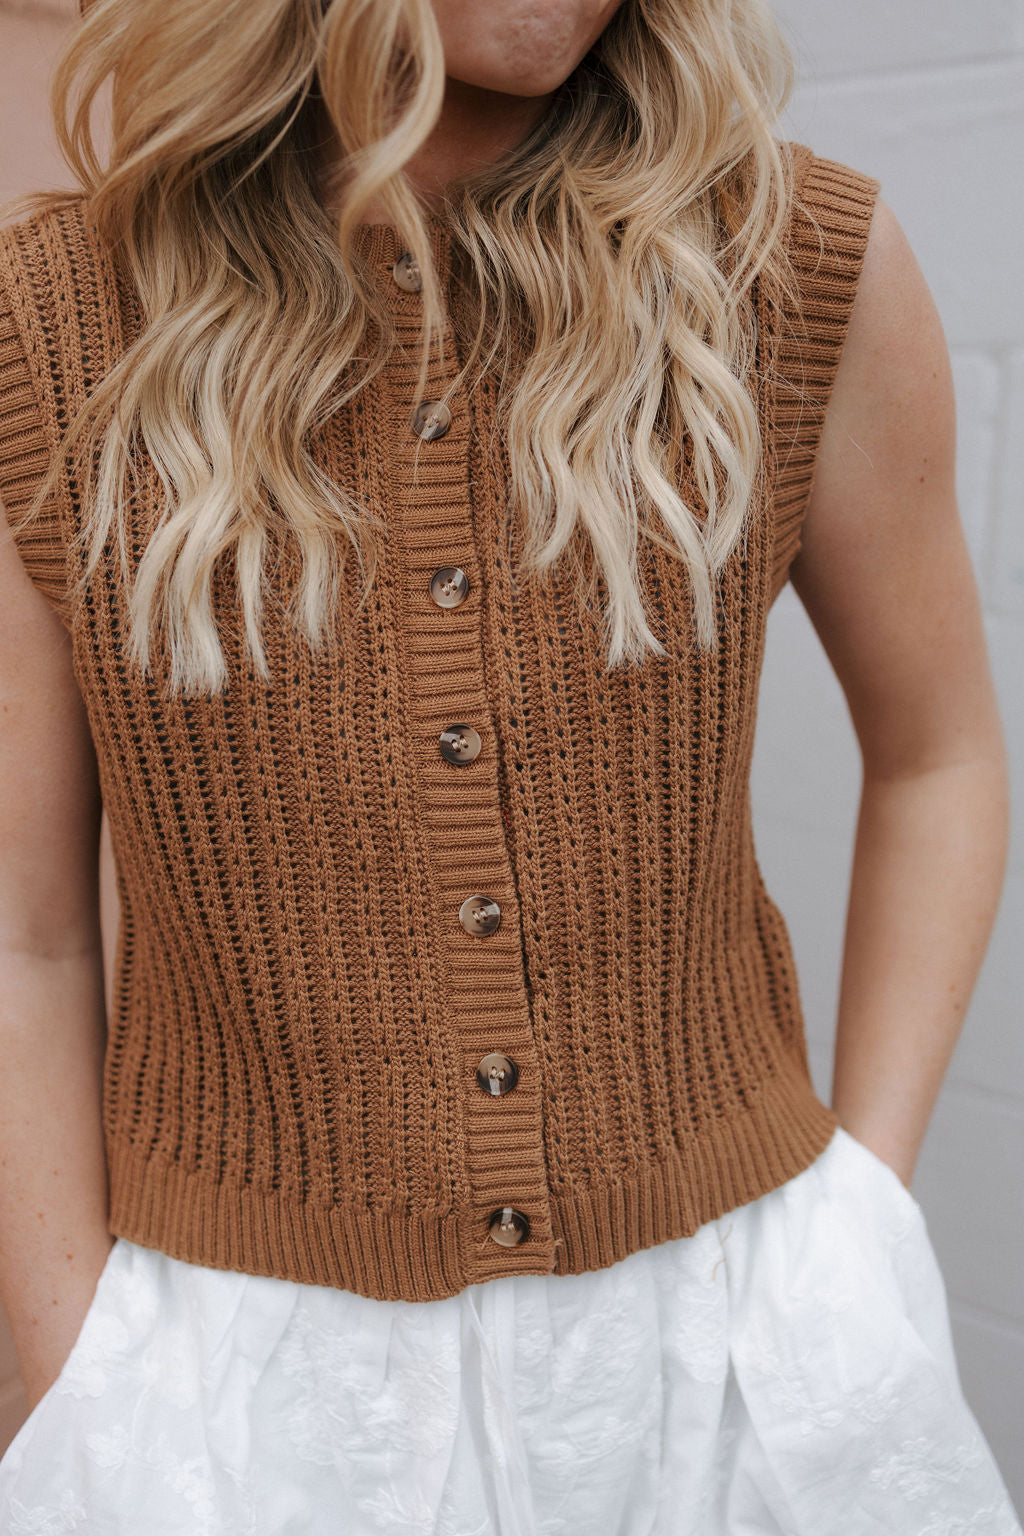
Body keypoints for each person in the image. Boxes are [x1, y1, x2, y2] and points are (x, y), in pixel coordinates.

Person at [0, 0, 1019, 1530]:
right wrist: (74, 1367)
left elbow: (938, 756)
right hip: (241, 1384)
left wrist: (862, 1220)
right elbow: (24, 926)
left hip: (737, 1342)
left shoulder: (787, 259)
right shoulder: (54, 324)